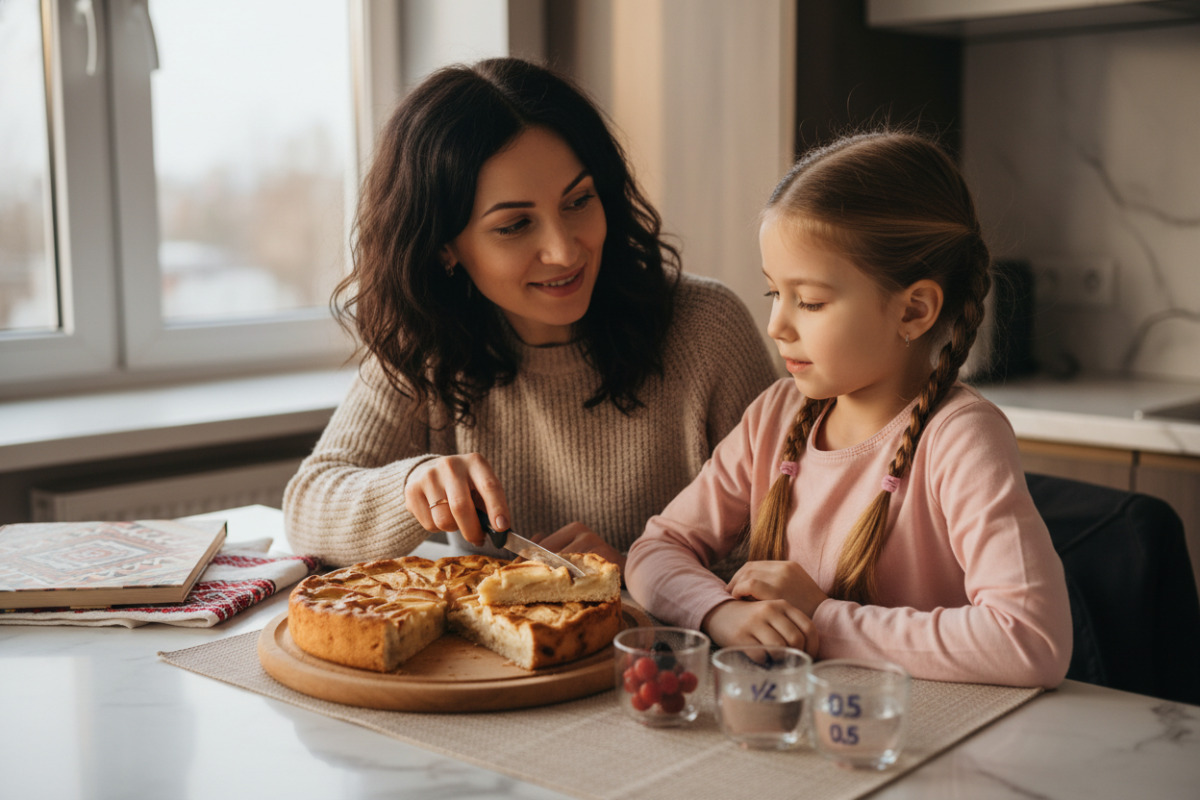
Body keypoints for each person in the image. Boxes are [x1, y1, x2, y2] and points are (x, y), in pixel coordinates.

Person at [283, 57, 777, 570]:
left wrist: (635, 569)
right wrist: (411, 486)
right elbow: (307, 508)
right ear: (445, 248)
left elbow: (790, 537)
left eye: (579, 200)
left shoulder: (706, 327)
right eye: (516, 225)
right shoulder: (429, 346)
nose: (564, 251)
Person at [625, 131, 1073, 687]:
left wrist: (821, 620)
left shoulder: (960, 439)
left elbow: (1032, 641)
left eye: (809, 301)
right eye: (774, 294)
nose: (776, 326)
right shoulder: (775, 416)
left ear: (913, 310)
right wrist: (720, 612)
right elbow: (654, 550)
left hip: (919, 738)